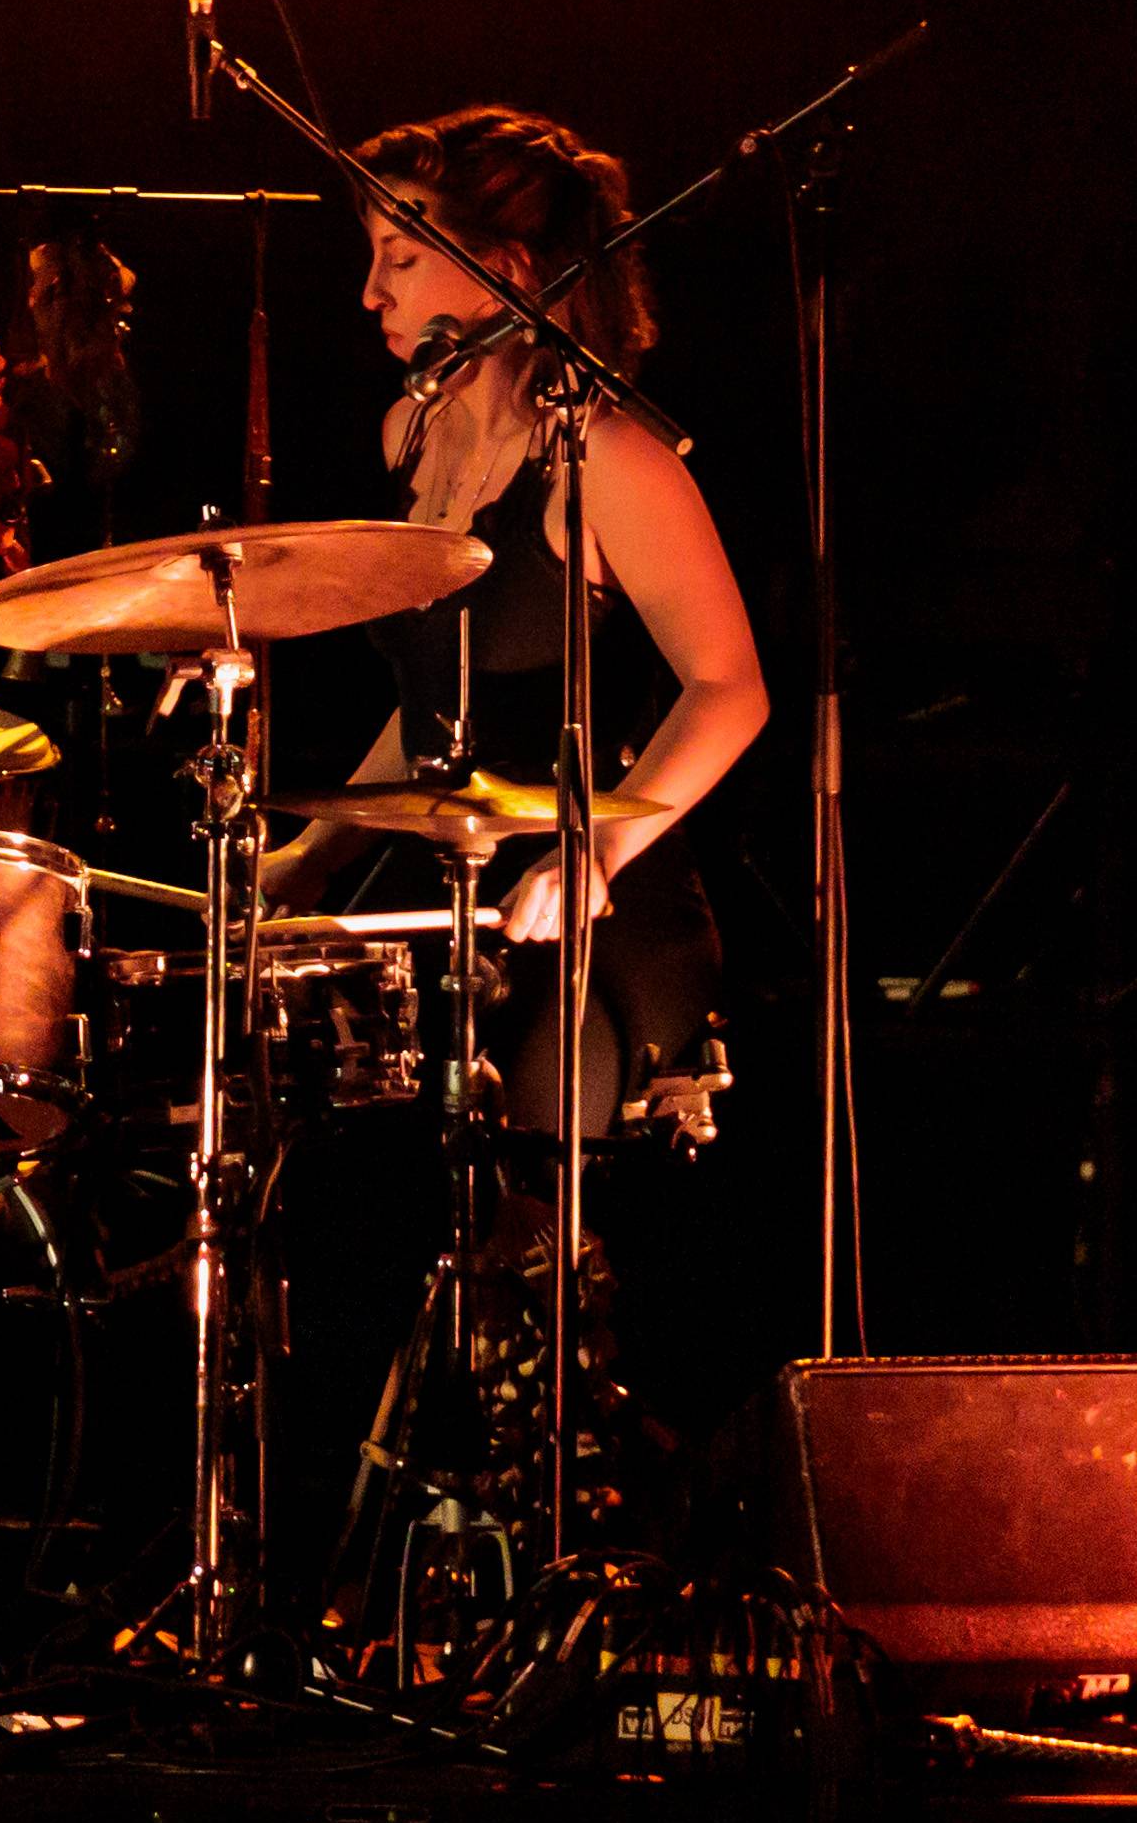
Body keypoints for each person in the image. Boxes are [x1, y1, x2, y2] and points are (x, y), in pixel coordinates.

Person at [262, 104, 769, 1137]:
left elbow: (731, 689)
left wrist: (595, 853)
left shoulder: (608, 458)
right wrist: (316, 852)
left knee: (520, 1190)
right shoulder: (410, 433)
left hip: (594, 913)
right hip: (458, 888)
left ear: (508, 269)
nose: (371, 292)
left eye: (402, 257)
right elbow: (437, 703)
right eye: (374, 255)